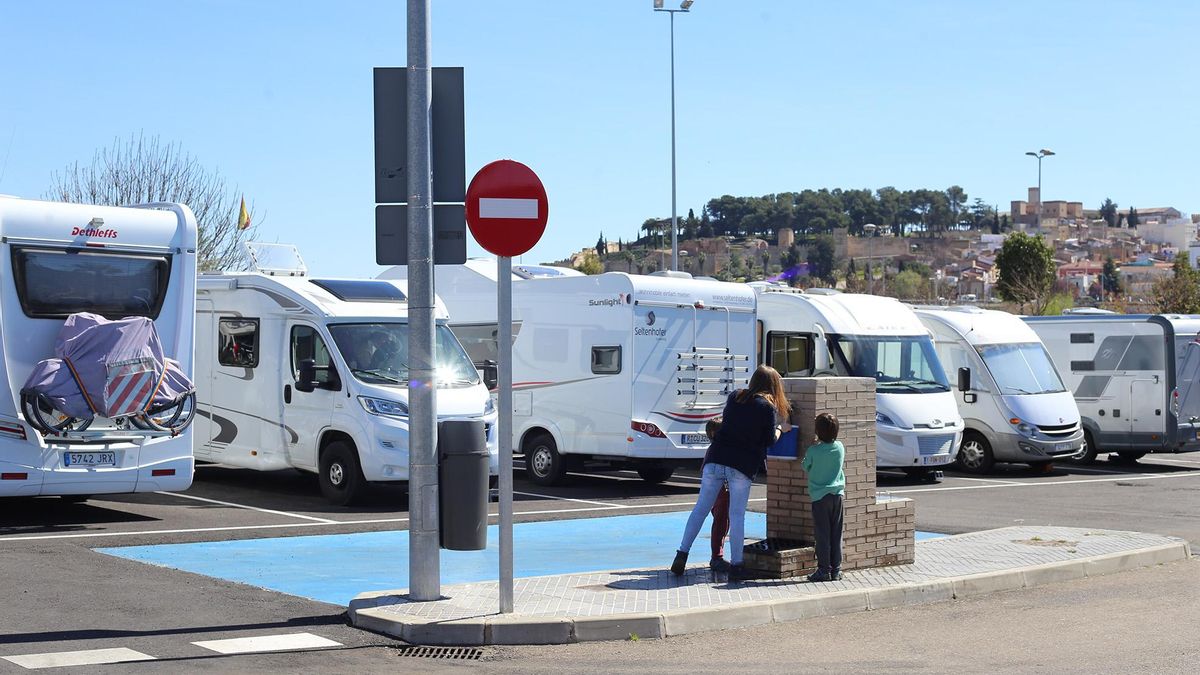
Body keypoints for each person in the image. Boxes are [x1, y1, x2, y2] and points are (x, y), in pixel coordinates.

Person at [672, 365, 791, 582]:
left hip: (716, 458)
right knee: (736, 516)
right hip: (741, 465)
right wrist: (781, 429)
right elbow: (768, 441)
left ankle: (681, 554)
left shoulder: (736, 397)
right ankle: (737, 566)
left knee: (700, 509)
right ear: (773, 386)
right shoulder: (767, 408)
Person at [803, 412, 846, 582]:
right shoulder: (840, 447)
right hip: (837, 496)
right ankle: (836, 569)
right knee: (836, 534)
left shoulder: (813, 450)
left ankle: (823, 569)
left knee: (822, 535)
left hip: (819, 497)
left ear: (817, 431)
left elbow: (806, 466)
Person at [704, 417, 731, 573]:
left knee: (723, 522)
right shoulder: (717, 449)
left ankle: (717, 555)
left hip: (721, 490)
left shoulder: (716, 448)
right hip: (721, 491)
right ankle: (716, 557)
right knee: (721, 521)